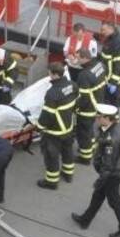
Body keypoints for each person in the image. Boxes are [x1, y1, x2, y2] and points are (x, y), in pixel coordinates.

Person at [71, 104, 120, 237]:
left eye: (99, 117)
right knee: (97, 197)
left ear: (107, 118)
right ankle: (85, 220)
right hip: (117, 171)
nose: (96, 119)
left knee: (115, 202)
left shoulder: (111, 140)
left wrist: (99, 181)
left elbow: (108, 165)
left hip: (111, 175)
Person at [36, 62, 77, 190]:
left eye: (49, 73)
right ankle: (68, 174)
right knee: (67, 151)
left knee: (51, 156)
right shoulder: (72, 85)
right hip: (68, 126)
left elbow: (47, 114)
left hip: (54, 131)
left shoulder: (52, 92)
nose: (48, 75)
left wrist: (39, 126)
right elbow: (76, 102)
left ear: (54, 75)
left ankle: (51, 182)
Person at [74, 48, 108, 165]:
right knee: (91, 130)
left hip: (87, 109)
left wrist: (76, 108)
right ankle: (92, 146)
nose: (76, 60)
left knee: (83, 133)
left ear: (84, 58)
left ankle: (85, 157)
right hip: (99, 103)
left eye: (78, 58)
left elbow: (83, 97)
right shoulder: (100, 64)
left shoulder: (84, 75)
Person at [99, 22, 120, 107]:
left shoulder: (118, 44)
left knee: (113, 104)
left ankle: (114, 119)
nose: (102, 32)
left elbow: (119, 65)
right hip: (107, 78)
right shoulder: (109, 40)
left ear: (111, 29)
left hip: (114, 82)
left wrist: (113, 82)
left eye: (103, 30)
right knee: (107, 102)